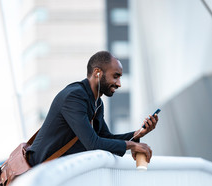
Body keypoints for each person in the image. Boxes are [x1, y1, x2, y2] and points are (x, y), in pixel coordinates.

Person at [26, 51, 158, 167]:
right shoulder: (74, 97)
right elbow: (93, 143)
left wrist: (138, 133)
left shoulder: (97, 102)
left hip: (54, 171)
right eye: (115, 76)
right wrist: (132, 145)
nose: (119, 84)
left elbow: (105, 137)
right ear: (97, 73)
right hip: (37, 172)